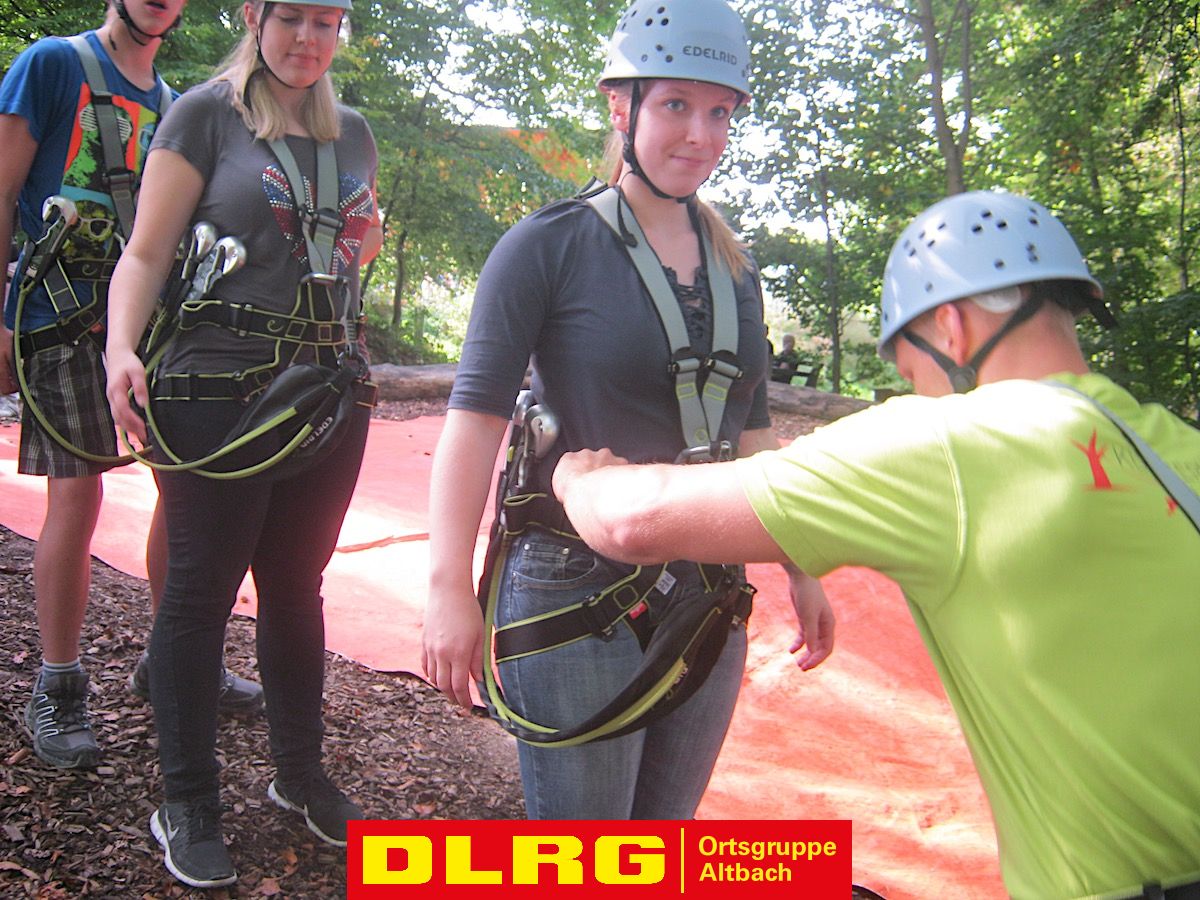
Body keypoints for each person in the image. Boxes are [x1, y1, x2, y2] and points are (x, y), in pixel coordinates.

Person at [551, 190, 1200, 899]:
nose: (914, 389)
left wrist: (579, 477)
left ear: (949, 327)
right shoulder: (1178, 446)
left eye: (908, 368)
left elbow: (633, 522)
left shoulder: (949, 445)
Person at [423, 0, 834, 820]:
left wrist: (801, 563)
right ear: (622, 106)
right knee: (587, 863)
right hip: (573, 586)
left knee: (661, 850)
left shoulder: (736, 270)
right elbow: (472, 426)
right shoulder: (548, 247)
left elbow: (752, 433)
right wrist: (446, 589)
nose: (700, 135)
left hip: (709, 584)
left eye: (719, 113)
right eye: (676, 104)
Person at [104, 0, 382, 887]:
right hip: (216, 390)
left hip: (326, 389)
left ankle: (299, 775)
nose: (308, 39)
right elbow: (146, 253)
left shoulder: (354, 135)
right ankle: (185, 801)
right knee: (200, 594)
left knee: (297, 585)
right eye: (291, 17)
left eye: (327, 22)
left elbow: (350, 246)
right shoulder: (205, 116)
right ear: (255, 16)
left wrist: (346, 252)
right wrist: (120, 349)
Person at [0, 0, 262, 773]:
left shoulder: (176, 108)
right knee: (76, 497)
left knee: (183, 490)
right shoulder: (52, 66)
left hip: (151, 330)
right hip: (57, 318)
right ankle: (58, 685)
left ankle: (172, 657)